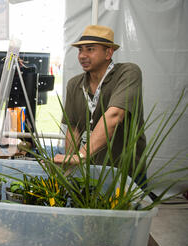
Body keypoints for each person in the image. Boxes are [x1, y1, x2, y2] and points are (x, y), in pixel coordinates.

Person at [53, 25, 147, 187]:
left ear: (108, 52)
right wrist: (70, 163)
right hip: (92, 171)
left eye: (90, 49)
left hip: (126, 171)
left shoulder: (128, 73)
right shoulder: (75, 84)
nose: (82, 55)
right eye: (80, 50)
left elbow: (114, 116)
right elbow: (73, 128)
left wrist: (81, 155)